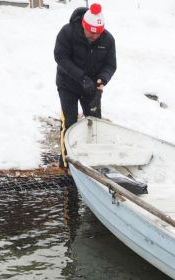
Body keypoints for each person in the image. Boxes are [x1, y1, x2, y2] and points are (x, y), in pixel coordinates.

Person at [54, 3, 116, 166]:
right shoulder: (67, 32)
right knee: (70, 122)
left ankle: (91, 160)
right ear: (84, 25)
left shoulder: (108, 40)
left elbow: (110, 65)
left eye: (98, 33)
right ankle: (67, 162)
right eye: (91, 32)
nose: (95, 36)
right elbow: (60, 57)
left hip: (92, 88)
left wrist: (102, 79)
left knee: (94, 122)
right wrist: (82, 78)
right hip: (68, 84)